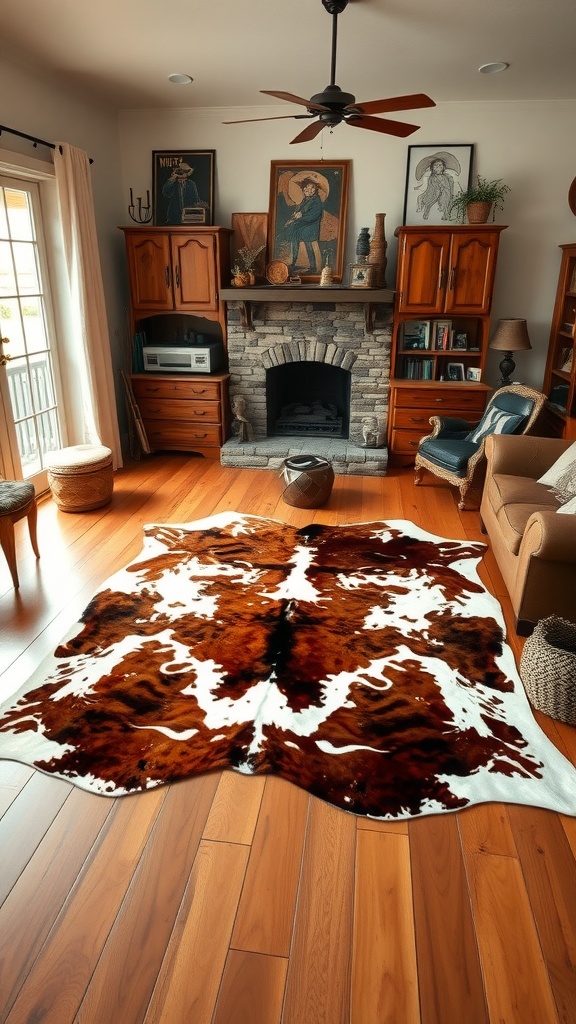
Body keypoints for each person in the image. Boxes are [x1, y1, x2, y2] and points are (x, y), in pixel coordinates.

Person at [285, 179, 323, 273]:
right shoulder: (306, 199)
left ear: (314, 190)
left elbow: (314, 215)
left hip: (310, 225)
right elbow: (301, 209)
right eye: (306, 188)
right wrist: (296, 214)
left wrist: (300, 217)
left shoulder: (316, 200)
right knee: (294, 237)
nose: (308, 190)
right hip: (302, 224)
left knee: (308, 243)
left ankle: (313, 267)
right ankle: (293, 263)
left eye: (311, 189)